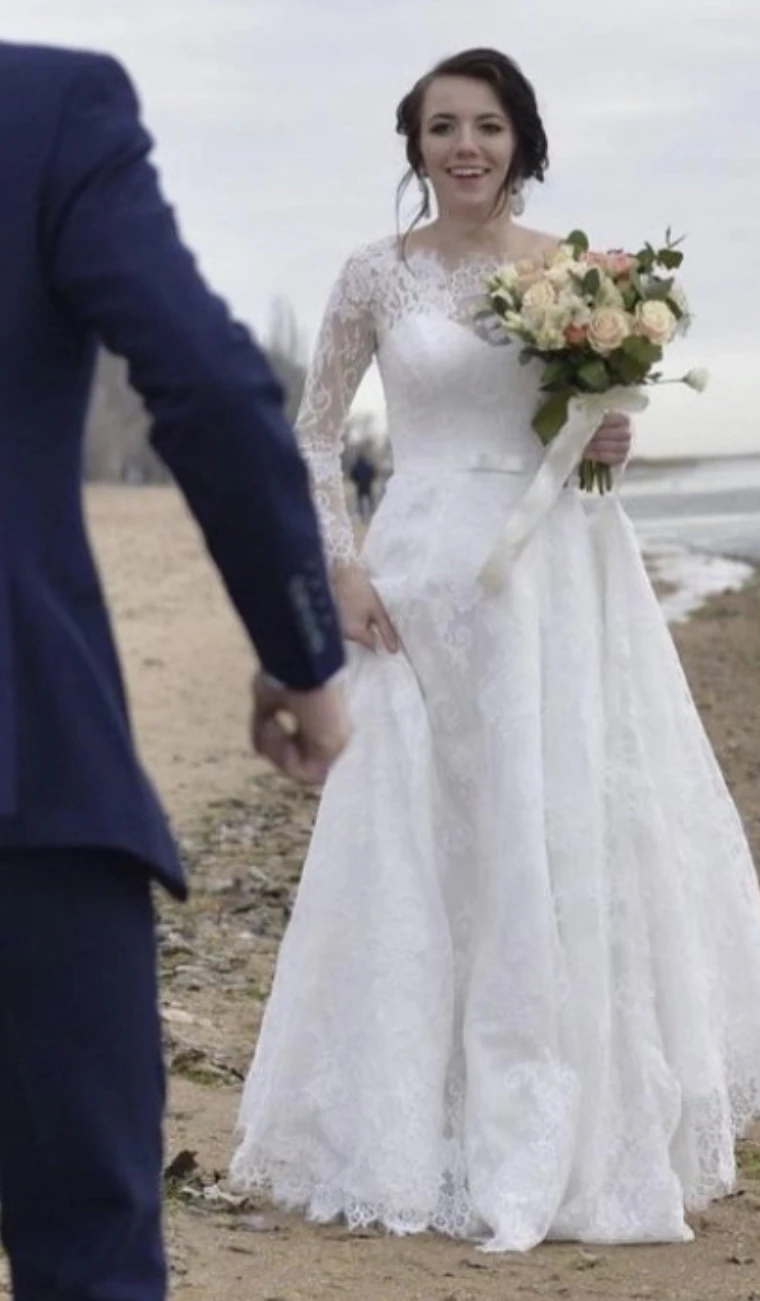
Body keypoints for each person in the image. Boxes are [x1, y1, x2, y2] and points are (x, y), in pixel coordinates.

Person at [232, 47, 760, 1252]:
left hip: (555, 582)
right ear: (416, 146)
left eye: (485, 126)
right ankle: (409, 1125)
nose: (464, 147)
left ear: (520, 140)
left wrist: (612, 434)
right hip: (416, 579)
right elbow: (312, 433)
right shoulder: (372, 279)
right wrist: (340, 570)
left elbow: (597, 426)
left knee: (555, 828)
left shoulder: (574, 275)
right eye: (442, 127)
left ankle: (562, 1124)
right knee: (417, 837)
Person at [0, 40, 352, 1301]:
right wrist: (302, 655)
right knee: (85, 1253)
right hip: (22, 770)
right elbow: (204, 378)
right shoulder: (41, 105)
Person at [348, 449, 378, 520]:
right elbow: (373, 472)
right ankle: (372, 512)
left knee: (360, 501)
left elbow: (352, 475)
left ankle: (361, 515)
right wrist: (370, 480)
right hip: (367, 484)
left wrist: (356, 481)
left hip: (360, 485)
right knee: (370, 499)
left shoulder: (356, 466)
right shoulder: (368, 465)